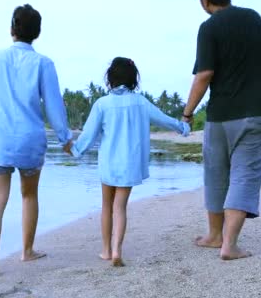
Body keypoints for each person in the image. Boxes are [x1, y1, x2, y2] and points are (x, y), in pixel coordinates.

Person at [182, 0, 261, 260]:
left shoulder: (208, 28)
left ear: (204, 0)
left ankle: (215, 236)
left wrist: (187, 113)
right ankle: (228, 243)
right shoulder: (255, 19)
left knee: (216, 173)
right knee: (244, 174)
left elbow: (204, 74)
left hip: (220, 115)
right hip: (256, 111)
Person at [66, 57, 190, 267]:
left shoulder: (102, 104)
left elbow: (89, 134)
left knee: (107, 205)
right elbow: (163, 118)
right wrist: (183, 127)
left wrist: (75, 149)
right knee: (120, 207)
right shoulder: (141, 102)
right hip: (129, 165)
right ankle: (117, 251)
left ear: (110, 78)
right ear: (133, 79)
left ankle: (105, 250)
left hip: (108, 164)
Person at [0, 4, 72, 279]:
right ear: (37, 33)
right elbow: (54, 108)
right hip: (30, 141)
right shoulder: (43, 63)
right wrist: (66, 138)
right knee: (29, 195)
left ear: (12, 29)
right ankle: (27, 251)